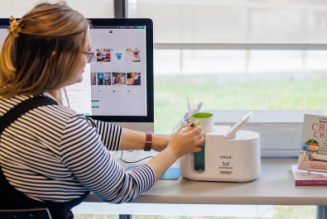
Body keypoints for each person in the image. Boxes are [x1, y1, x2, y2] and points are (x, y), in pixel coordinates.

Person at [0, 3, 204, 219]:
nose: (89, 60)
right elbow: (122, 189)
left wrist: (158, 141)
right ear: (55, 59)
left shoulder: (11, 100)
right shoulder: (65, 125)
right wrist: (173, 151)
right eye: (86, 52)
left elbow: (89, 129)